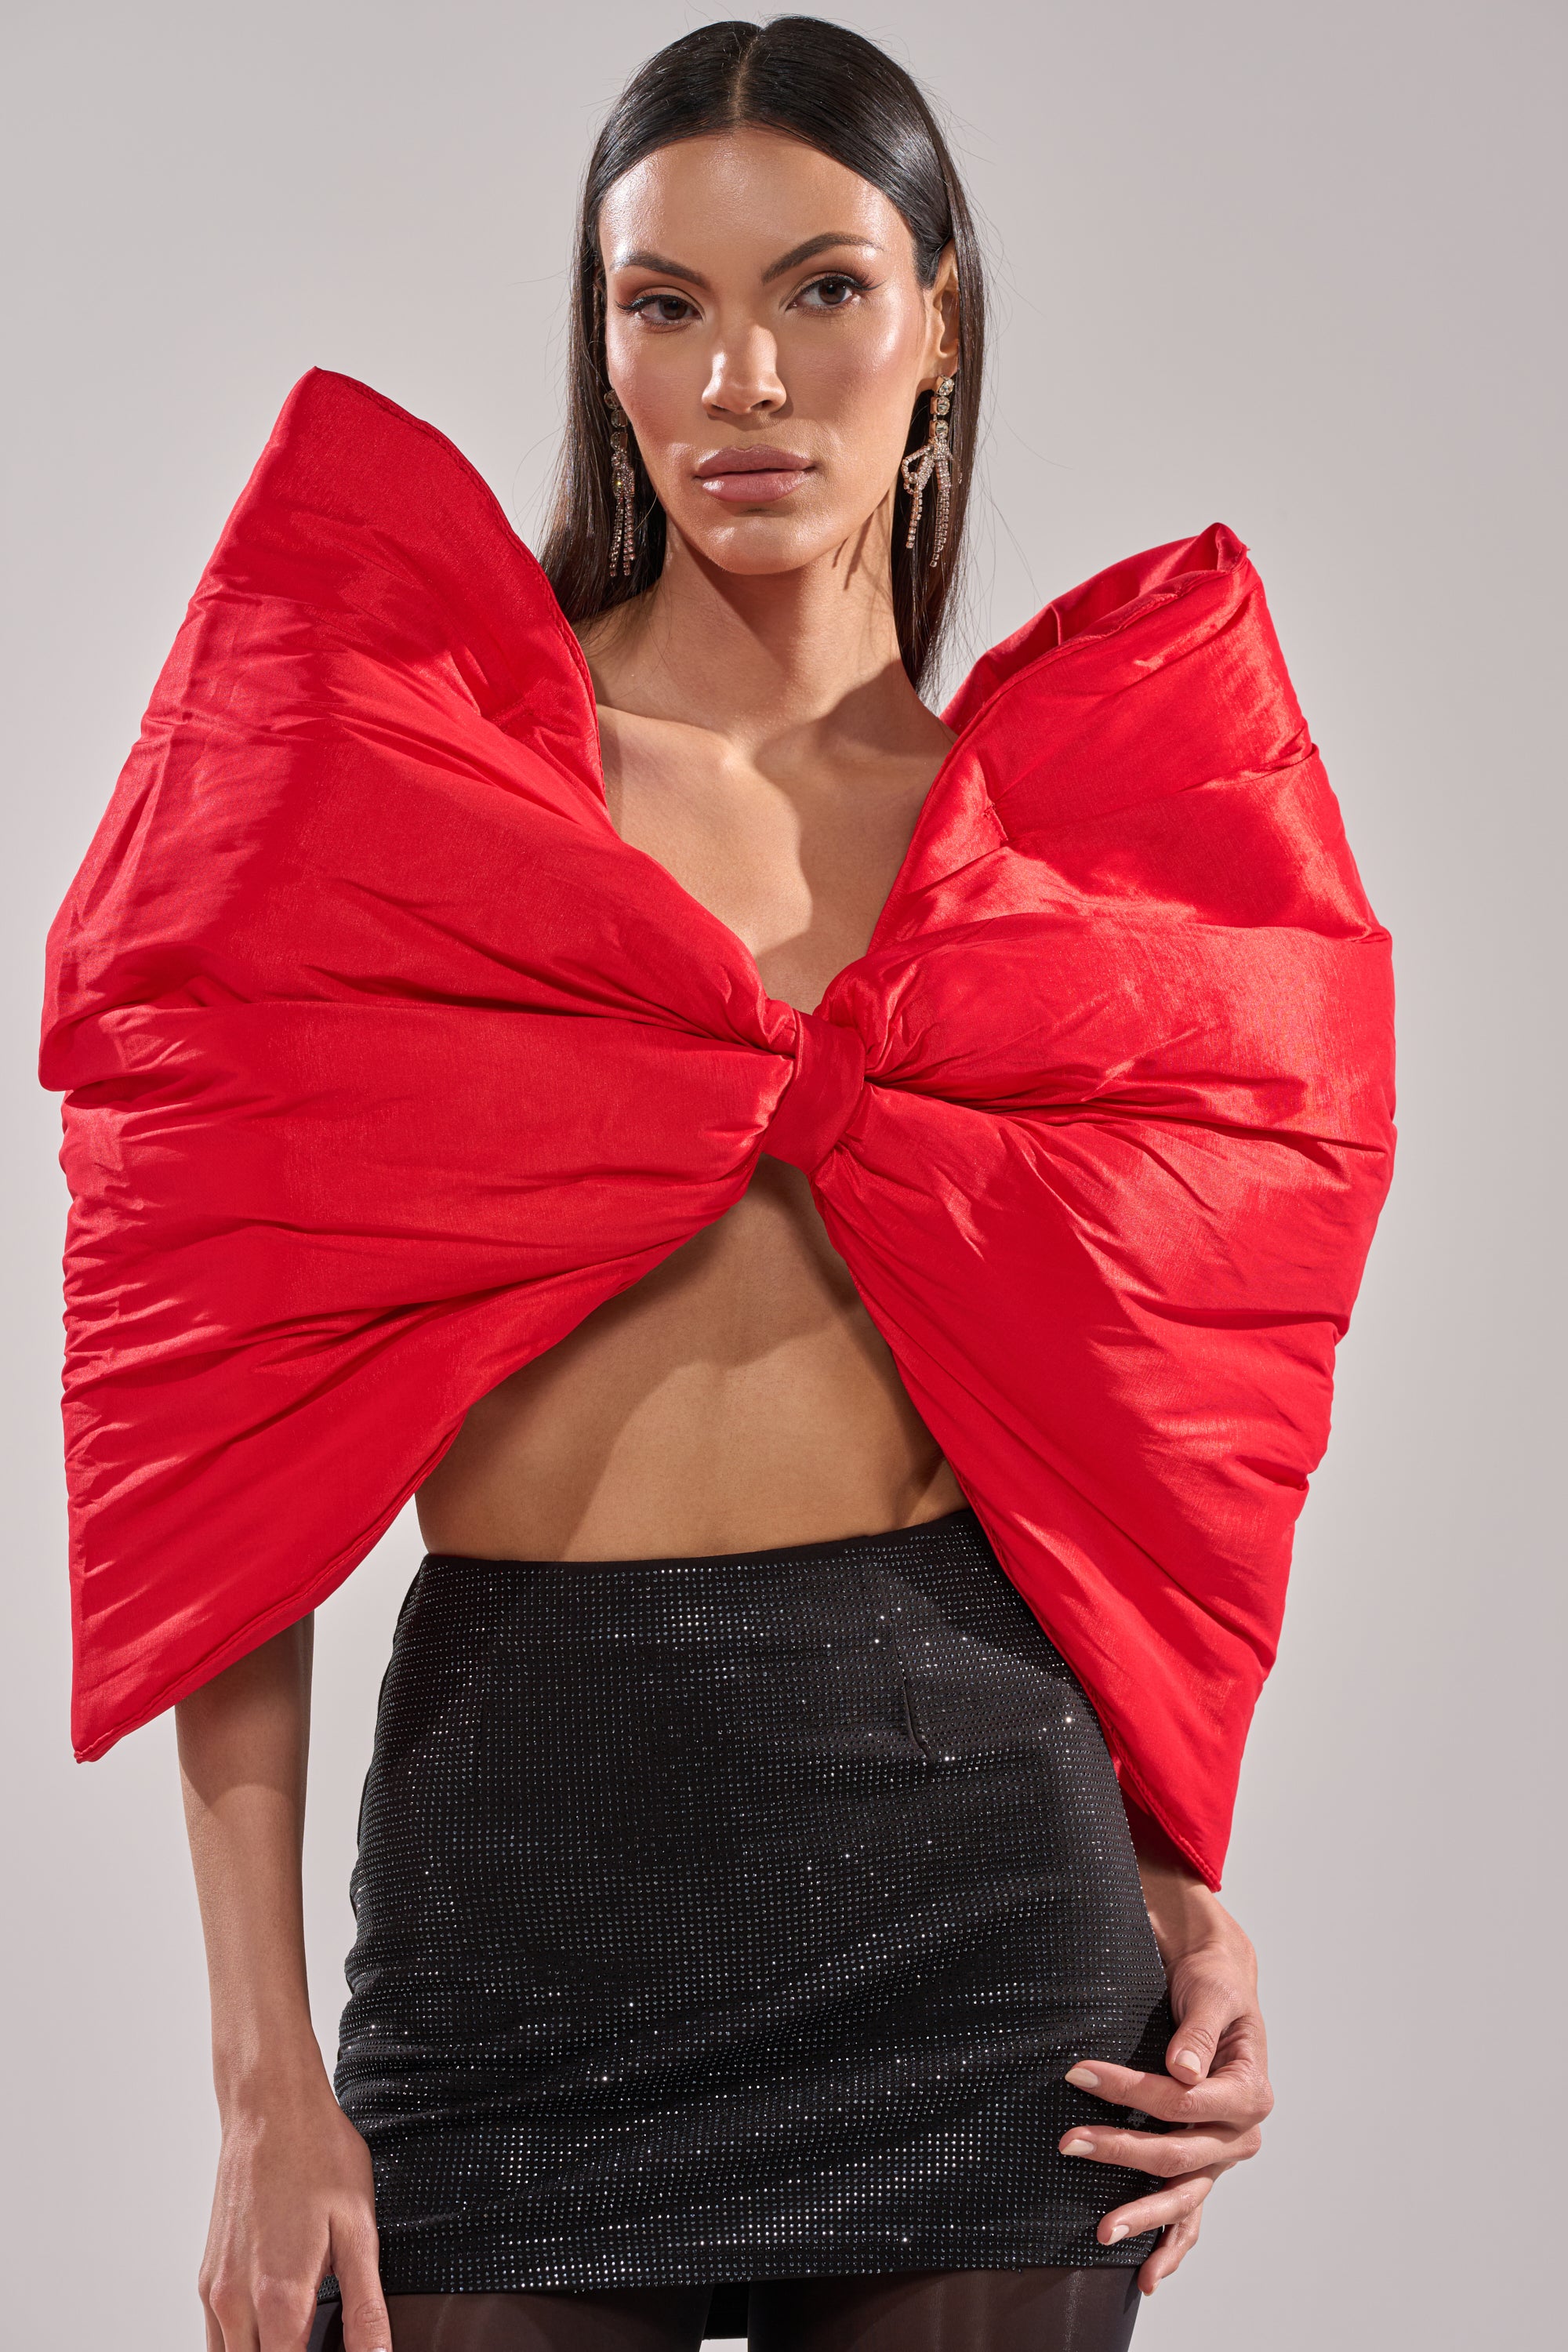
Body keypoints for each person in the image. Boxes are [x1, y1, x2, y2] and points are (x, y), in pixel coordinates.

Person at [41, 18, 1395, 2352]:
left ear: (940, 319)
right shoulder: (422, 788)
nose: (743, 377)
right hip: (516, 1887)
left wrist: (1183, 1876)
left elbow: (1166, 1398)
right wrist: (262, 2078)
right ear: (602, 344)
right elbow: (209, 1412)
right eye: (663, 304)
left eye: (825, 291)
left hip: (987, 1912)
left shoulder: (1060, 841)